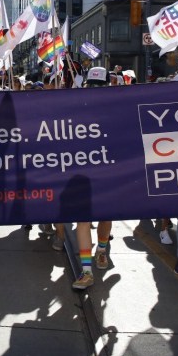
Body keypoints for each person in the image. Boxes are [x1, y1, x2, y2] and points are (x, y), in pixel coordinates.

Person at [72, 67, 113, 290]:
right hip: (82, 174)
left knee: (106, 217)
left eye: (101, 85)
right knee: (83, 221)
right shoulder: (78, 108)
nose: (97, 90)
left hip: (108, 175)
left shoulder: (115, 109)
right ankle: (86, 271)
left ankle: (102, 251)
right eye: (93, 85)